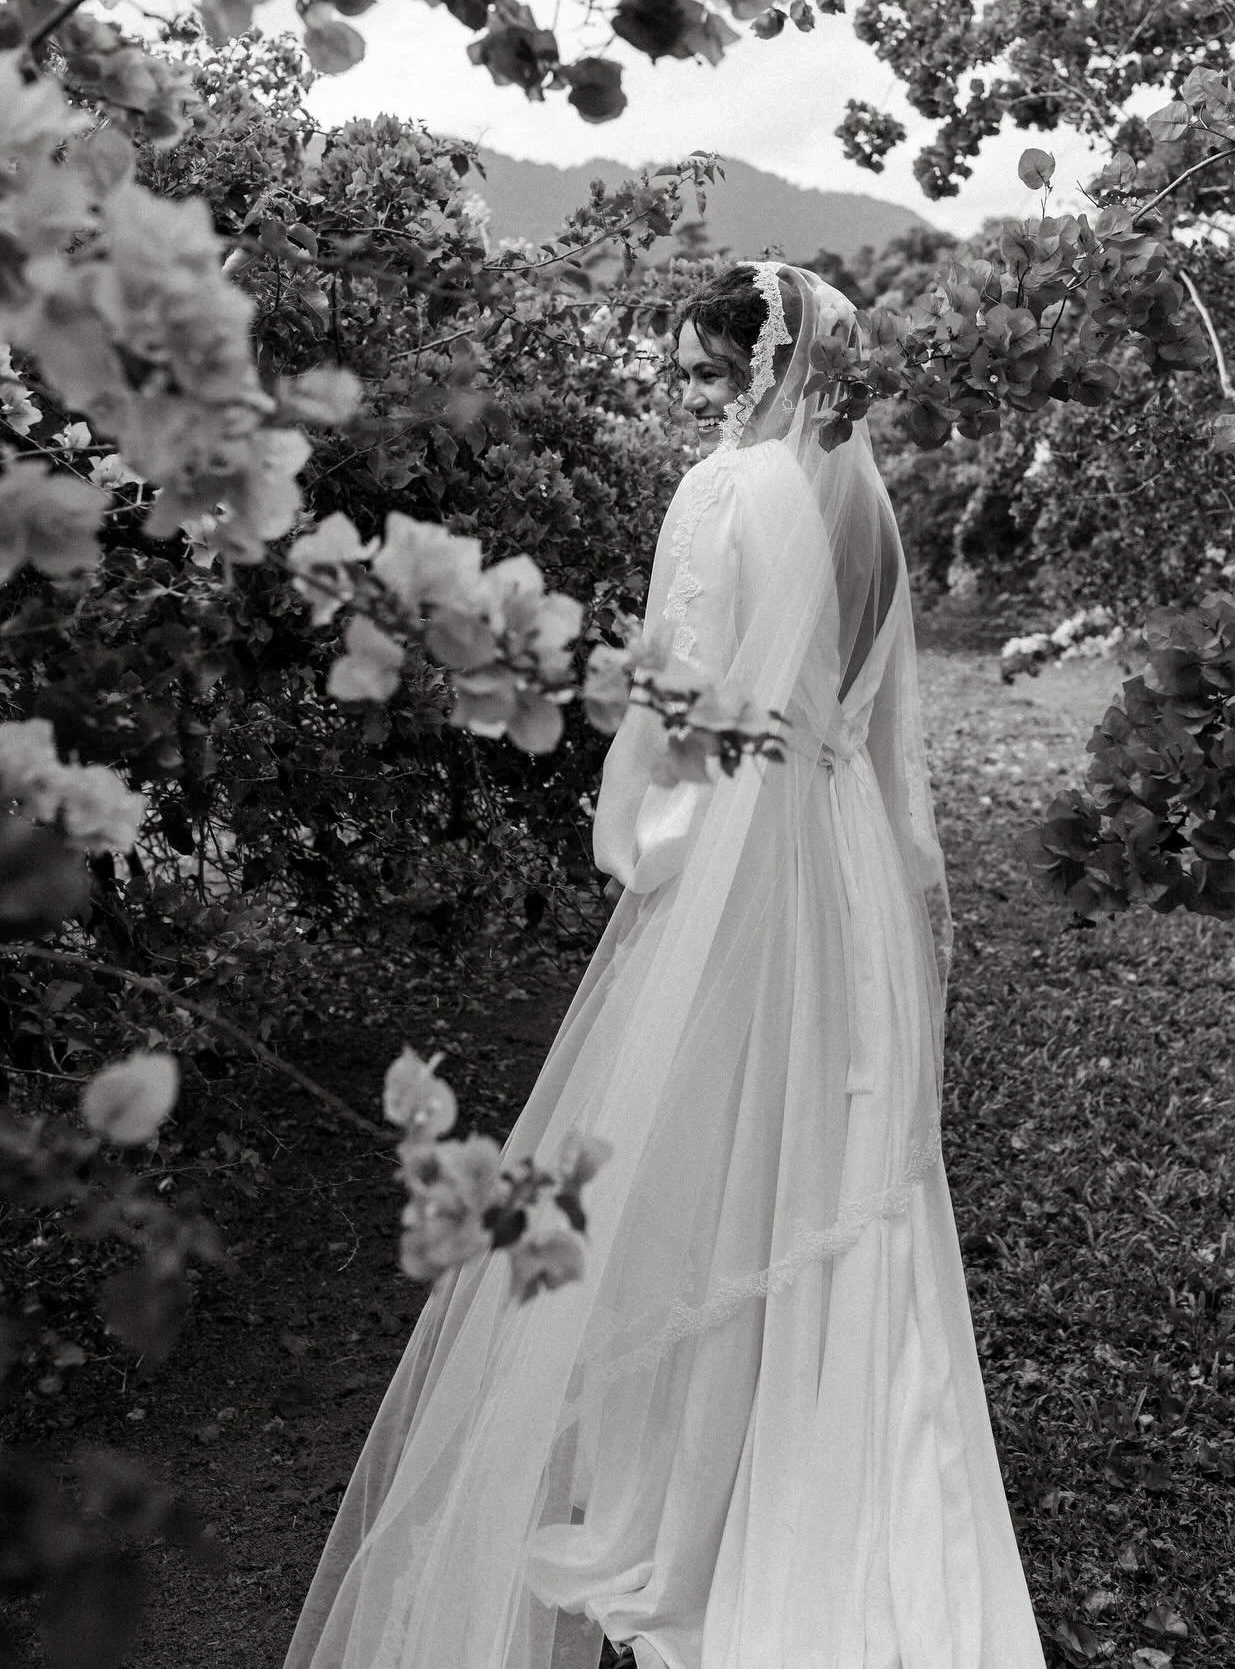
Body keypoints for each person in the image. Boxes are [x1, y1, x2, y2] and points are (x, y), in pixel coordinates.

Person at [282, 261, 1047, 1669]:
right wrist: (915, 916)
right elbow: (896, 761)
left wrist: (640, 843)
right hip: (854, 871)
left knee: (694, 1171)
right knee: (830, 1177)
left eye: (714, 366)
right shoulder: (871, 506)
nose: (709, 392)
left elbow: (676, 701)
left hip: (745, 864)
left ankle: (685, 1504)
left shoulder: (723, 489)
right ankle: (837, 1486)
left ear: (761, 363)